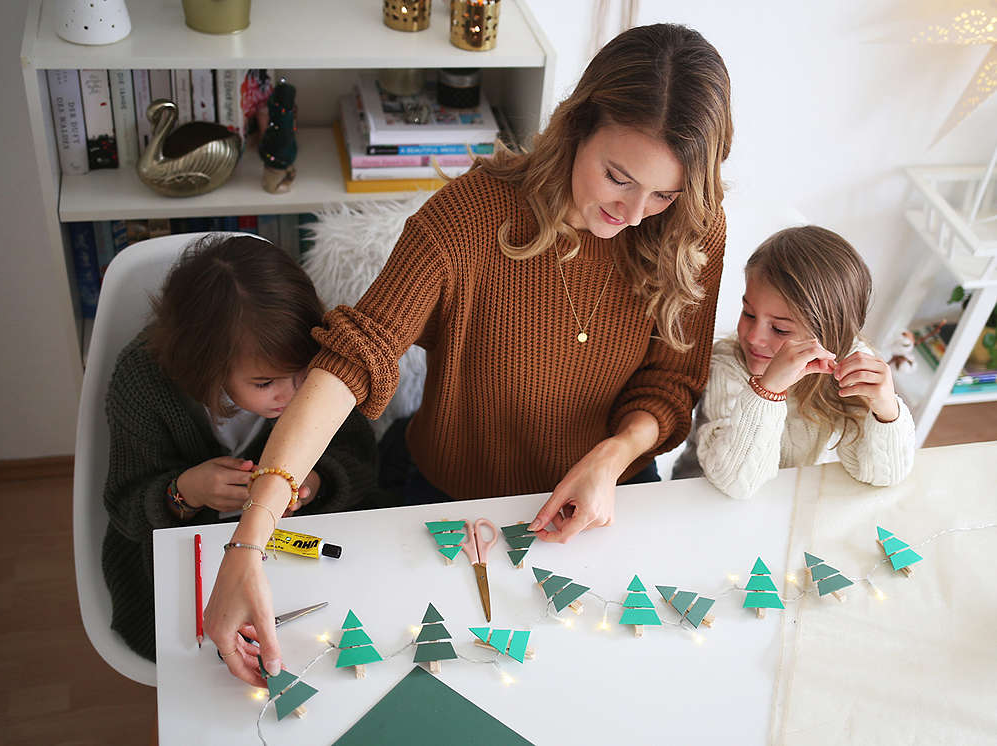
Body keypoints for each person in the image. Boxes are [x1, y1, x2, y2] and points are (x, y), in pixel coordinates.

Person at [206, 23, 734, 685]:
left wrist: (614, 453)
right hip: (457, 503)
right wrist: (248, 539)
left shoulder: (690, 228)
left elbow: (671, 382)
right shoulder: (470, 217)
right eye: (617, 177)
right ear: (576, 125)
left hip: (607, 505)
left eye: (662, 193)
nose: (633, 214)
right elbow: (353, 359)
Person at [101, 234, 385, 661]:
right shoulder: (142, 383)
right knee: (209, 662)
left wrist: (315, 481)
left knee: (336, 642)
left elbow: (360, 459)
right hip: (186, 560)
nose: (290, 396)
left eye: (302, 374)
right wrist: (185, 492)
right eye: (264, 383)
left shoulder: (325, 358)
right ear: (207, 366)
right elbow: (125, 507)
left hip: (304, 550)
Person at [673, 226, 916, 498]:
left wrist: (886, 412)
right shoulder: (729, 364)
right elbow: (735, 483)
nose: (754, 337)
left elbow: (883, 476)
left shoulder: (852, 366)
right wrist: (768, 391)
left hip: (794, 508)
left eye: (780, 329)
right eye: (749, 313)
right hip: (703, 503)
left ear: (829, 334)